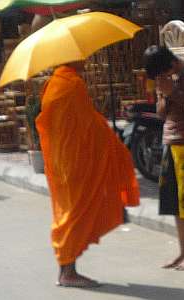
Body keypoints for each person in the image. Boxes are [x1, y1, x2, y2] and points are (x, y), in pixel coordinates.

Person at [36, 61, 140, 287]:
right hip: (76, 163)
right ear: (71, 59)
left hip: (61, 161)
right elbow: (86, 125)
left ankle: (67, 268)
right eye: (81, 58)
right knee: (74, 214)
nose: (84, 61)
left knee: (68, 212)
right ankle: (68, 272)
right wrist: (107, 135)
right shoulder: (72, 84)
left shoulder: (54, 84)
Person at [144, 46, 184, 270]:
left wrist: (174, 93)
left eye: (166, 73)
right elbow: (162, 114)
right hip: (169, 142)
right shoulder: (167, 78)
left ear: (172, 64)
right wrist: (163, 94)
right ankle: (183, 252)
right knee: (174, 203)